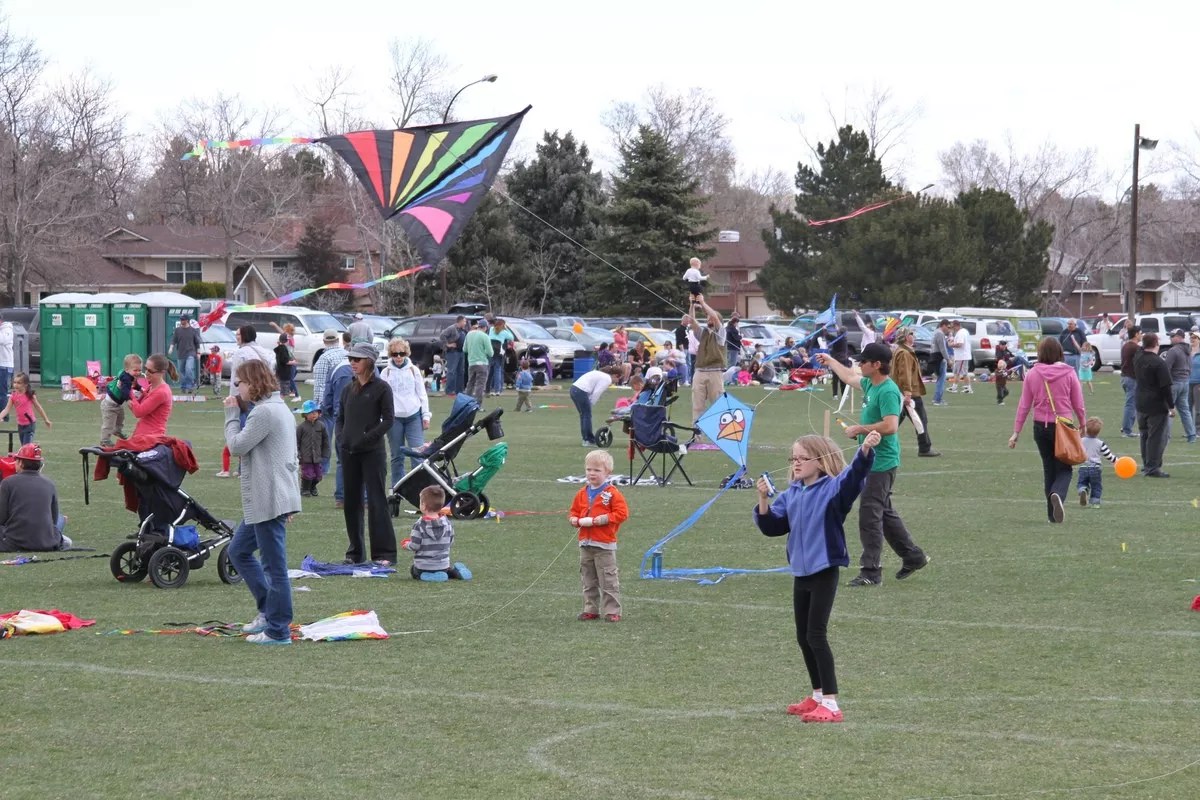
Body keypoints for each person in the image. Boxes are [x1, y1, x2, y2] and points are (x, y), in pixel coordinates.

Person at [754, 430, 881, 724]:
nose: (796, 463)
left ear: (821, 462)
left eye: (803, 458)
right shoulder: (791, 494)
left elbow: (854, 478)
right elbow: (772, 527)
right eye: (793, 458)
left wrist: (864, 450)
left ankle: (832, 704)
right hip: (801, 571)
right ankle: (817, 694)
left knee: (816, 635)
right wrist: (762, 499)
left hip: (824, 569)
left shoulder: (833, 490)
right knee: (803, 636)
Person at [817, 343, 930, 586]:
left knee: (870, 514)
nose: (859, 364)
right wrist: (830, 361)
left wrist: (860, 429)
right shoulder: (870, 384)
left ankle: (871, 572)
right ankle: (913, 556)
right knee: (883, 512)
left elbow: (890, 426)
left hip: (882, 462)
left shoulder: (888, 391)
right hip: (870, 459)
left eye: (863, 361)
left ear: (877, 365)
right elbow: (849, 377)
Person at [224, 359, 301, 646]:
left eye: (240, 383)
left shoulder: (265, 412)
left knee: (274, 567)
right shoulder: (275, 407)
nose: (237, 389)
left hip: (269, 499)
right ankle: (268, 611)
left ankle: (278, 630)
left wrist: (232, 414)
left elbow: (236, 445)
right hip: (268, 498)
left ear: (253, 383)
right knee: (239, 550)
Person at [1009, 337, 1087, 522]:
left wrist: (1016, 432)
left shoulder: (1033, 373)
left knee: (1048, 468)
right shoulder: (1069, 373)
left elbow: (1024, 405)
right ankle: (1057, 493)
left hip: (1040, 426)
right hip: (1063, 425)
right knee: (1065, 467)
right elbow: (1078, 402)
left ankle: (1052, 515)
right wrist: (1083, 423)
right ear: (1059, 352)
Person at [336, 340, 397, 565]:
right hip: (349, 452)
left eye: (357, 359)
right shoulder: (347, 389)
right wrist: (341, 437)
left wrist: (367, 437)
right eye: (350, 359)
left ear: (369, 362)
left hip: (372, 453)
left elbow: (388, 419)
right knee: (351, 503)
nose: (352, 363)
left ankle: (384, 554)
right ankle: (355, 553)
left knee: (377, 501)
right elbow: (340, 417)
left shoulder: (382, 388)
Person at [569, 449, 630, 622]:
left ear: (607, 472)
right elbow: (573, 511)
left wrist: (602, 519)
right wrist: (574, 519)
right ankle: (591, 608)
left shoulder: (612, 493)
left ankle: (612, 610)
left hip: (604, 544)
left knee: (608, 579)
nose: (592, 473)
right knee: (588, 579)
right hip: (585, 543)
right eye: (589, 469)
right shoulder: (582, 493)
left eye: (597, 470)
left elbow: (622, 513)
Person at [0, 443, 70, 551]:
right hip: (46, 542)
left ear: (21, 463)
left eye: (16, 460)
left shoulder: (8, 483)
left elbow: (1, 518)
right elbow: (54, 520)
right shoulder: (49, 484)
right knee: (60, 523)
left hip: (13, 542)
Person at [381, 337, 430, 484]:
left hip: (414, 416)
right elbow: (381, 398)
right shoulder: (385, 373)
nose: (398, 357)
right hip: (394, 419)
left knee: (418, 455)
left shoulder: (414, 370)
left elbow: (422, 394)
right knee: (397, 456)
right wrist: (382, 419)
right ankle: (397, 488)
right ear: (390, 354)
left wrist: (425, 415)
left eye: (401, 353)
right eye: (395, 354)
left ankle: (420, 487)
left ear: (406, 353)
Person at [402, 485, 472, 581]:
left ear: (423, 506)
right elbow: (451, 542)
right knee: (446, 570)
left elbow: (415, 546)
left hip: (423, 566)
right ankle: (455, 572)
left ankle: (430, 576)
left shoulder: (419, 525)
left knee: (414, 570)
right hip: (443, 565)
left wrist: (407, 545)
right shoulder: (447, 523)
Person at [890, 329, 940, 457]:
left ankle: (877, 440)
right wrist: (907, 393)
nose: (914, 336)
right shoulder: (905, 353)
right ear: (906, 337)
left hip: (902, 392)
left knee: (894, 421)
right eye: (911, 334)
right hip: (909, 394)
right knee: (921, 420)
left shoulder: (901, 351)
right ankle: (924, 448)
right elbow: (905, 374)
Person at [1133, 332, 1173, 478]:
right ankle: (1153, 467)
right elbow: (1166, 387)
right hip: (1156, 404)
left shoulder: (1138, 357)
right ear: (1156, 343)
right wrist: (1171, 406)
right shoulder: (1159, 363)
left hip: (1140, 402)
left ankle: (1147, 464)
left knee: (1144, 435)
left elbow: (1139, 348)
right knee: (1156, 437)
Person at [310, 330, 348, 481]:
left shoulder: (324, 358)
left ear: (324, 341)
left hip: (328, 403)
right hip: (346, 402)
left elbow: (320, 385)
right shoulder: (347, 355)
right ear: (338, 340)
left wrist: (317, 407)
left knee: (324, 438)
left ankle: (322, 467)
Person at [688, 297, 728, 430]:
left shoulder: (721, 333)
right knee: (697, 406)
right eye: (708, 318)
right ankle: (697, 436)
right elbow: (692, 321)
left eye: (711, 318)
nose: (709, 319)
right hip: (699, 372)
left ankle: (720, 434)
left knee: (718, 405)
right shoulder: (703, 333)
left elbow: (715, 317)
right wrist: (692, 304)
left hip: (715, 373)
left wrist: (702, 302)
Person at [129, 354, 177, 439]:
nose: (146, 373)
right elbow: (140, 403)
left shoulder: (162, 392)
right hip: (143, 435)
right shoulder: (151, 386)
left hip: (151, 437)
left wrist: (128, 391)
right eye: (146, 369)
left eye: (150, 371)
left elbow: (139, 412)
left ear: (162, 372)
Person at [99, 353, 143, 446]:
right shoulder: (126, 378)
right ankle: (105, 440)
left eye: (140, 370)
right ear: (127, 369)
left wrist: (140, 389)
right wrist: (128, 399)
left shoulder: (129, 375)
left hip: (117, 404)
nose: (138, 373)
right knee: (109, 423)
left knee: (121, 418)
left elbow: (134, 385)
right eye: (135, 370)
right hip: (109, 405)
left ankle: (117, 430)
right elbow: (125, 390)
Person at [1160, 329, 1195, 444]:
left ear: (1179, 337)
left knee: (1169, 410)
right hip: (1185, 382)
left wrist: (1164, 384)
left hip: (1174, 383)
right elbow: (1190, 367)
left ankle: (1166, 436)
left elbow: (1166, 368)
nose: (1170, 338)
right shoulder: (1188, 350)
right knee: (1185, 410)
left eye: (1172, 336)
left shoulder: (1173, 350)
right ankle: (1191, 435)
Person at [571, 365, 617, 446]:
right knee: (587, 415)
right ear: (615, 375)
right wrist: (591, 403)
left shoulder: (600, 374)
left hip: (574, 388)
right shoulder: (607, 379)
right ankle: (589, 440)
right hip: (581, 390)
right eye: (618, 379)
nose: (616, 382)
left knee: (584, 415)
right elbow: (597, 393)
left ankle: (585, 439)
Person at [0, 372, 52, 445]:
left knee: (26, 446)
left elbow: (38, 407)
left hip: (29, 424)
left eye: (19, 383)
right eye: (14, 382)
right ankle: (33, 449)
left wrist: (46, 419)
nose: (16, 385)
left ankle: (33, 450)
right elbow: (6, 409)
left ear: (25, 384)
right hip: (20, 425)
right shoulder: (13, 396)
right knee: (24, 446)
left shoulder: (29, 395)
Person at [1077, 417, 1117, 508]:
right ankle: (1095, 503)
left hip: (1083, 467)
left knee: (1082, 482)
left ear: (1086, 429)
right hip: (1095, 468)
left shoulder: (1081, 441)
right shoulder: (1100, 443)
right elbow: (1108, 455)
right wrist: (1117, 461)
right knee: (1096, 486)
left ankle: (1082, 489)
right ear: (1098, 432)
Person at [295, 399, 330, 497]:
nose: (314, 414)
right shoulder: (301, 427)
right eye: (311, 412)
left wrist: (326, 453)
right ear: (305, 415)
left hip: (317, 456)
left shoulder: (321, 426)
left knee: (318, 475)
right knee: (308, 474)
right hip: (305, 457)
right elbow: (296, 442)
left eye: (315, 412)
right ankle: (305, 489)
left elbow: (325, 441)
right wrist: (298, 454)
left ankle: (312, 487)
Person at [168, 315, 203, 393]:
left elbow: (197, 343)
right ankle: (183, 386)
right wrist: (171, 348)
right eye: (181, 320)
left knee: (188, 369)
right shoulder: (177, 330)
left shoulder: (193, 330)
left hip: (191, 353)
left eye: (183, 320)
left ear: (187, 320)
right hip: (181, 353)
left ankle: (190, 386)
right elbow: (173, 340)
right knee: (181, 371)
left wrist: (198, 352)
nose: (181, 321)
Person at [1119, 325, 1142, 437]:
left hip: (1125, 377)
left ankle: (1127, 427)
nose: (1141, 335)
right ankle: (1127, 430)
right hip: (1131, 378)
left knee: (1132, 404)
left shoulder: (1126, 345)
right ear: (1136, 334)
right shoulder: (1135, 347)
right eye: (1140, 333)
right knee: (1131, 404)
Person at [463, 318, 492, 404]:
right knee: (480, 385)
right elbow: (490, 353)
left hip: (471, 363)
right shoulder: (485, 336)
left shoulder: (469, 334)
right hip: (482, 363)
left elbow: (464, 349)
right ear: (485, 327)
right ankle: (477, 404)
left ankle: (467, 403)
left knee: (470, 384)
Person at [438, 316, 468, 396]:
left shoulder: (462, 330)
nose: (465, 323)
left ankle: (459, 390)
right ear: (460, 321)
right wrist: (448, 345)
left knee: (460, 371)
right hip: (453, 352)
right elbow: (442, 336)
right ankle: (449, 390)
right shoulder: (452, 328)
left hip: (461, 352)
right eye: (464, 321)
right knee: (452, 371)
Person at [487, 318, 515, 396]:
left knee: (490, 370)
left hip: (491, 350)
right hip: (499, 351)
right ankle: (497, 390)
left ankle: (488, 389)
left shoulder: (491, 329)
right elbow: (512, 337)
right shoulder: (504, 332)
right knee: (498, 370)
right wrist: (507, 329)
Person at [930, 319, 952, 405]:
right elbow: (943, 348)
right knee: (941, 379)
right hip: (939, 358)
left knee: (939, 378)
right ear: (943, 325)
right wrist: (948, 359)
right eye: (948, 327)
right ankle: (937, 399)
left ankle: (936, 398)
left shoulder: (936, 332)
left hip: (935, 356)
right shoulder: (940, 333)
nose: (948, 329)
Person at [948, 320, 972, 394]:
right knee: (957, 372)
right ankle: (956, 387)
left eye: (953, 327)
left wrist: (951, 345)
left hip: (962, 356)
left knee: (963, 372)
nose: (952, 328)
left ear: (956, 326)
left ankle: (967, 388)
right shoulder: (963, 331)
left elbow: (960, 344)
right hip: (960, 356)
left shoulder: (961, 333)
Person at [0, 311, 12, 413]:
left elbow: (2, 340)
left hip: (4, 365)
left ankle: (3, 415)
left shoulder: (7, 329)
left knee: (2, 392)